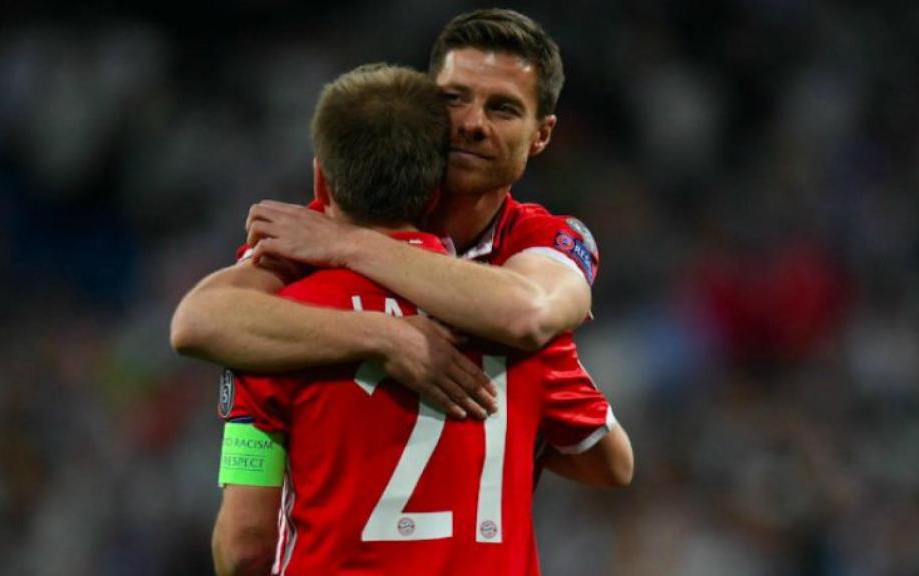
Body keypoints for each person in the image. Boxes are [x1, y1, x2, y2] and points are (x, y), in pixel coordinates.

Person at [210, 63, 631, 575]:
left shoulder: (272, 331)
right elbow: (612, 462)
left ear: (321, 177)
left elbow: (245, 547)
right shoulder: (516, 323)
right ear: (436, 190)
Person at [170, 9, 602, 423]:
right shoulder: (349, 212)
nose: (472, 122)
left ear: (542, 134)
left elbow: (528, 314)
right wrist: (384, 337)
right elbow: (198, 322)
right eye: (455, 98)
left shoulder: (543, 237)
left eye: (502, 108)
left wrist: (350, 246)